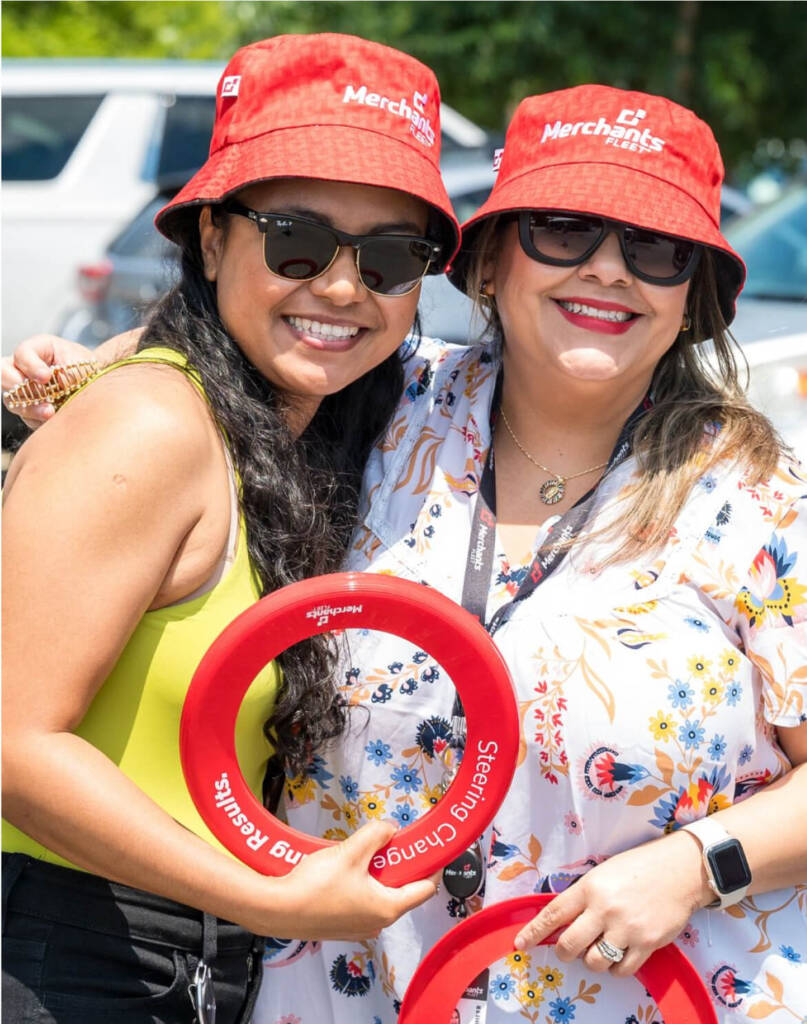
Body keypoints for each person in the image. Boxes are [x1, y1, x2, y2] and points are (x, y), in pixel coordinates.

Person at [6, 86, 806, 1024]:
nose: (607, 271)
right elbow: (235, 340)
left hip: (645, 997)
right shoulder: (376, 407)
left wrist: (700, 863)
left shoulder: (759, 497)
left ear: (694, 292)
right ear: (492, 259)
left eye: (656, 249)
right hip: (351, 993)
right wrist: (90, 369)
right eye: (561, 230)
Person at [2, 32, 461, 1024]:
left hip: (191, 958)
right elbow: (10, 740)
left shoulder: (303, 420)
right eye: (296, 241)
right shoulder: (151, 425)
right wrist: (272, 899)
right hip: (68, 956)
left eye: (389, 256)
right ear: (211, 239)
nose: (343, 287)